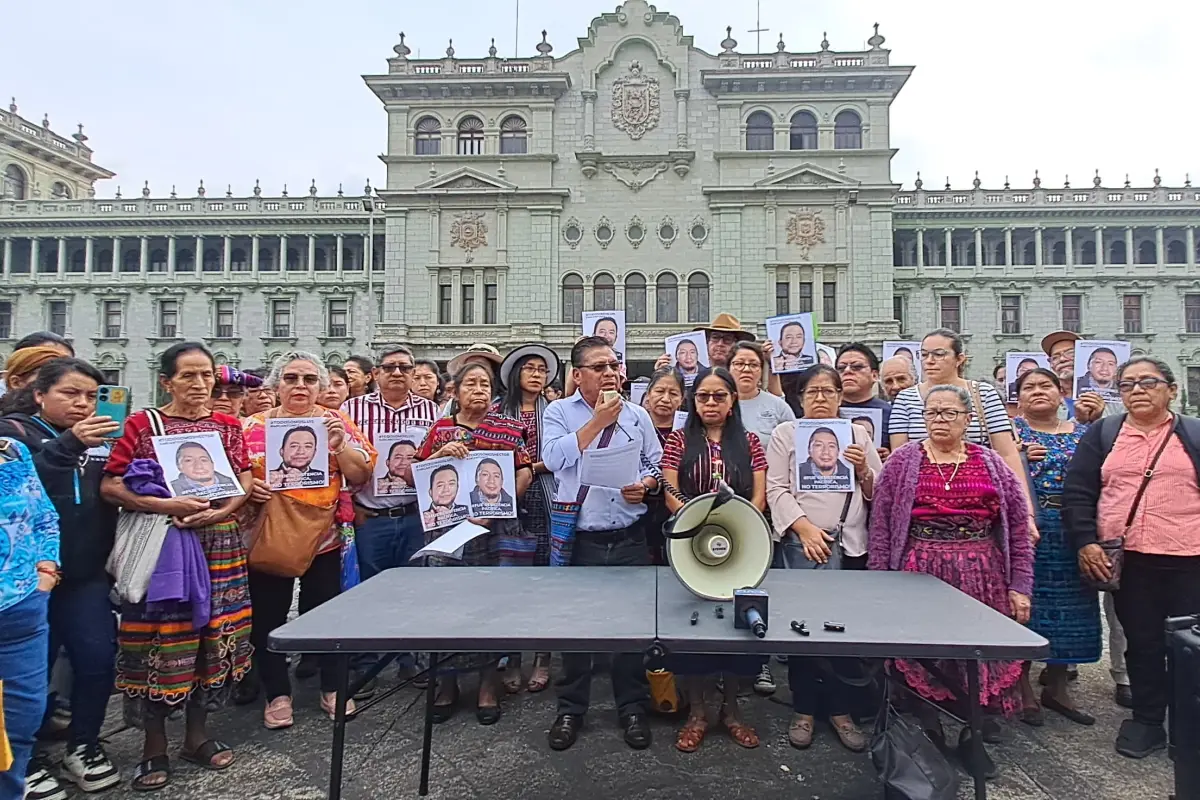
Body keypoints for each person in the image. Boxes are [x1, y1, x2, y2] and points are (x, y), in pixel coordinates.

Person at [100, 342, 254, 790]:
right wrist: (160, 503)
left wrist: (225, 509)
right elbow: (111, 484)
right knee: (162, 638)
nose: (200, 384)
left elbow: (244, 475)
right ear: (166, 381)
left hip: (218, 541)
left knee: (217, 634)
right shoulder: (143, 424)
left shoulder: (225, 425)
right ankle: (153, 746)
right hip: (164, 543)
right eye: (188, 376)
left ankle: (197, 735)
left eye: (206, 375)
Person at [869, 384, 1033, 777]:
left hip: (982, 577)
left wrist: (1020, 586)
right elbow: (881, 528)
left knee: (975, 658)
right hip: (919, 574)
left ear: (967, 419)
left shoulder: (992, 463)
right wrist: (878, 588)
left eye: (949, 413)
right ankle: (930, 731)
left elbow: (1017, 529)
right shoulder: (902, 462)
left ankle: (973, 736)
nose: (939, 420)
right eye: (932, 413)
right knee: (925, 656)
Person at [1063, 356, 1200, 758]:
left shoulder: (1192, 434)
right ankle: (1147, 720)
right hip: (1130, 561)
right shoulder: (1105, 434)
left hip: (1189, 559)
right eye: (1128, 385)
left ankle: (1188, 722)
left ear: (1171, 390)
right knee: (1141, 643)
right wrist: (1086, 542)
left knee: (1189, 645)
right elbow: (1078, 492)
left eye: (1148, 382)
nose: (1137, 390)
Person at [0, 359, 122, 796]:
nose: (82, 403)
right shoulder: (15, 435)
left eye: (90, 396)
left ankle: (85, 744)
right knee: (30, 675)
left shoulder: (102, 437)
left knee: (97, 659)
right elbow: (22, 486)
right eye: (70, 393)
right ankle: (24, 758)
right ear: (39, 394)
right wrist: (68, 443)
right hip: (29, 581)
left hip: (87, 572)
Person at [241, 352, 375, 730]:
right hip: (268, 537)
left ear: (320, 386)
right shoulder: (250, 426)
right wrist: (250, 489)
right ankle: (277, 693)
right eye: (291, 378)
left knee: (327, 614)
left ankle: (332, 687)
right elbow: (232, 478)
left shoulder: (336, 422)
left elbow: (362, 474)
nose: (300, 386)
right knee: (268, 617)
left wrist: (338, 446)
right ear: (275, 385)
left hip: (324, 538)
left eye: (309, 379)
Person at [542, 336, 661, 752]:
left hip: (627, 534)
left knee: (630, 629)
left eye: (614, 364)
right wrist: (596, 421)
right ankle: (571, 709)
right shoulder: (558, 412)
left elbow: (655, 462)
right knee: (576, 629)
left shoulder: (637, 414)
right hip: (582, 538)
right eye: (599, 366)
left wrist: (644, 485)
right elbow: (554, 458)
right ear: (577, 375)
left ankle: (631, 707)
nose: (610, 372)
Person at [766, 363, 881, 752]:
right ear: (800, 398)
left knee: (842, 631)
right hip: (804, 545)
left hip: (849, 545)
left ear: (839, 396)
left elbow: (877, 490)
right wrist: (804, 529)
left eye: (828, 392)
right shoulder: (786, 434)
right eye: (812, 392)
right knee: (803, 628)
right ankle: (804, 707)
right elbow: (777, 489)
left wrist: (864, 467)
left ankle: (841, 710)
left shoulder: (857, 434)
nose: (820, 398)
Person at [415, 360, 535, 725]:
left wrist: (499, 506)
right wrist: (439, 456)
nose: (479, 390)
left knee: (490, 606)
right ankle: (447, 684)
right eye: (471, 384)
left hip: (495, 531)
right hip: (447, 532)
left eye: (485, 384)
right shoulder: (440, 430)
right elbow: (416, 474)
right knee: (446, 606)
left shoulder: (509, 429)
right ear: (455, 391)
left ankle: (487, 685)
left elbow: (525, 470)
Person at [658, 367, 768, 753]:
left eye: (719, 396)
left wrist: (744, 524)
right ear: (694, 401)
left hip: (738, 546)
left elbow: (758, 494)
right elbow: (670, 489)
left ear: (733, 401)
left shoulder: (751, 441)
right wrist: (696, 519)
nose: (710, 403)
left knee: (735, 631)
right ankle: (698, 712)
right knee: (693, 632)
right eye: (702, 396)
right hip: (691, 544)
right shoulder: (678, 440)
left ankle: (733, 710)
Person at [340, 346, 441, 695]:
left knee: (414, 591)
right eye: (389, 367)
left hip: (415, 515)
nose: (397, 373)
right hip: (372, 516)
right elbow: (339, 458)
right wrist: (352, 505)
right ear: (376, 374)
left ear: (414, 373)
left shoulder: (431, 410)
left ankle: (409, 662)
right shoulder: (351, 410)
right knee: (368, 591)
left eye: (404, 367)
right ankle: (366, 664)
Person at [1042, 330, 1130, 705]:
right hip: (1050, 516)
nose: (1063, 358)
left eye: (1071, 353)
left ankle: (1125, 674)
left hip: (1103, 512)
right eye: (1057, 354)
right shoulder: (1039, 398)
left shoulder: (1113, 403)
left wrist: (1092, 420)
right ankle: (1056, 666)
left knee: (1114, 595)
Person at [1011, 368, 1098, 727]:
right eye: (1028, 387)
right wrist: (1017, 460)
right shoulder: (1012, 436)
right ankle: (1021, 688)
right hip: (1031, 528)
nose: (1037, 392)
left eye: (1045, 385)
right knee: (1028, 605)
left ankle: (1058, 686)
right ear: (1018, 399)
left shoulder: (1085, 434)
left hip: (1074, 528)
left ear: (1062, 393)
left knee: (1073, 609)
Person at [888, 329, 1036, 537]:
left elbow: (1008, 454)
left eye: (939, 354)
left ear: (959, 359)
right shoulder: (905, 399)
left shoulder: (983, 394)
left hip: (979, 500)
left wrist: (1026, 512)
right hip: (923, 505)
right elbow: (900, 462)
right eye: (924, 354)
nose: (929, 361)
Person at [497, 342, 562, 692]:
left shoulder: (554, 409)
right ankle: (509, 655)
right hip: (503, 496)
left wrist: (530, 467)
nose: (537, 375)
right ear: (515, 374)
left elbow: (559, 453)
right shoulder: (497, 410)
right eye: (530, 369)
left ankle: (543, 654)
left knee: (544, 576)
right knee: (509, 576)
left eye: (541, 369)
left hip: (545, 494)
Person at [0, 436, 59, 800]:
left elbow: (44, 518)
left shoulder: (11, 450)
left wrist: (47, 571)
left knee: (19, 727)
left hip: (21, 612)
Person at [640, 368, 686, 565]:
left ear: (682, 399)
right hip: (640, 509)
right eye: (659, 391)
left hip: (677, 508)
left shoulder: (690, 431)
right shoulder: (631, 426)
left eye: (673, 393)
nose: (666, 398)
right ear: (648, 394)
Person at [730, 342, 795, 449]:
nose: (746, 370)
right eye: (739, 364)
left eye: (753, 365)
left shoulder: (778, 406)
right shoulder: (718, 402)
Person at [836, 343, 891, 445]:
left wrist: (889, 455)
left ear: (874, 375)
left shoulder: (890, 413)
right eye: (841, 368)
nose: (847, 371)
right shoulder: (826, 410)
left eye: (856, 367)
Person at [171, 441, 239, 498]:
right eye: (189, 460)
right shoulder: (170, 489)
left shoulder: (235, 482)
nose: (199, 466)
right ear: (179, 467)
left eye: (204, 460)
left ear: (212, 464)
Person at [422, 463, 468, 529]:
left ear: (457, 488)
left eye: (451, 484)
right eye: (440, 485)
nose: (446, 489)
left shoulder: (469, 512)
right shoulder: (422, 517)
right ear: (430, 492)